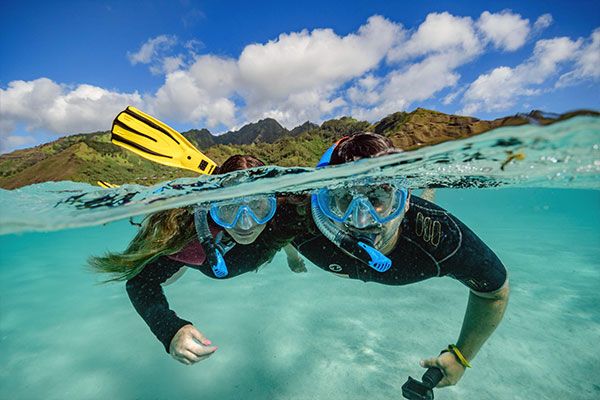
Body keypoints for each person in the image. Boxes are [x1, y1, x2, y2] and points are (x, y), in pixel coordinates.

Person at [292, 132, 510, 388]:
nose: (361, 221)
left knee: (424, 206)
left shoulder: (437, 236)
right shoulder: (305, 225)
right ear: (324, 205)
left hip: (415, 222)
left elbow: (494, 292)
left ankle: (428, 189)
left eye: (378, 199)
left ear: (404, 200)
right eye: (343, 199)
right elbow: (282, 236)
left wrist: (461, 356)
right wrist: (291, 257)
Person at [90, 155, 306, 365]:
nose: (246, 224)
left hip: (271, 237)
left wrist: (293, 257)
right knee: (175, 267)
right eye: (229, 208)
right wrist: (170, 329)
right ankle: (181, 264)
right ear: (214, 208)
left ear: (272, 204)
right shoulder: (194, 241)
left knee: (281, 233)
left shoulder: (285, 215)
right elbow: (140, 282)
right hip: (202, 257)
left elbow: (284, 238)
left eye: (258, 208)